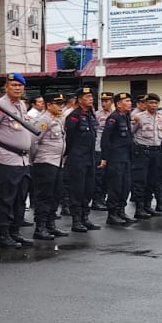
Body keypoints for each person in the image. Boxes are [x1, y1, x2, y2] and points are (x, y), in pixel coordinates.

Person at [0, 74, 48, 250]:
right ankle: (4, 235)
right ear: (6, 87)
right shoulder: (0, 106)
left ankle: (15, 232)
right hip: (5, 159)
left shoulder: (21, 105)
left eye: (20, 86)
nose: (17, 88)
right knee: (6, 199)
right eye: (13, 85)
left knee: (19, 199)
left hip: (22, 160)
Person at [30, 93, 69, 239]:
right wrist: (35, 159)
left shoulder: (58, 119)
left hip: (57, 162)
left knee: (55, 194)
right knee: (44, 196)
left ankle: (50, 225)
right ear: (49, 105)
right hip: (45, 162)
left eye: (62, 104)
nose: (61, 106)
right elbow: (33, 141)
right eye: (58, 104)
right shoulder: (43, 120)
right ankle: (40, 227)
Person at [62, 88, 100, 233]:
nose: (91, 99)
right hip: (77, 158)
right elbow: (69, 138)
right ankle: (76, 220)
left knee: (89, 189)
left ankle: (85, 217)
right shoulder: (74, 117)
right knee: (77, 190)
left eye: (91, 96)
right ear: (79, 100)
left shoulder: (91, 115)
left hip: (90, 158)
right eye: (87, 96)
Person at [100, 92, 135, 227]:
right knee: (115, 186)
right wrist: (105, 157)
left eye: (130, 101)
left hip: (125, 157)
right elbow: (105, 139)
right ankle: (112, 214)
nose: (130, 103)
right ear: (119, 104)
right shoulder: (113, 118)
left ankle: (121, 210)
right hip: (115, 157)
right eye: (126, 101)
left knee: (125, 185)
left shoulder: (125, 117)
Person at [130, 93, 162, 220]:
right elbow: (131, 133)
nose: (153, 105)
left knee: (152, 180)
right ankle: (139, 208)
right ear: (146, 103)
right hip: (143, 151)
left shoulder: (161, 117)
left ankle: (148, 205)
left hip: (156, 151)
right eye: (151, 103)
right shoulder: (139, 117)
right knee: (140, 180)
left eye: (155, 103)